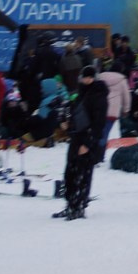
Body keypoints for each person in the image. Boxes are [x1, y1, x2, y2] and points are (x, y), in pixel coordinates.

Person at [57, 64, 107, 219]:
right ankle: (70, 204)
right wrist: (67, 123)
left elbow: (98, 122)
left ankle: (79, 206)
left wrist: (88, 143)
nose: (86, 80)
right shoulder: (82, 93)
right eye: (84, 77)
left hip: (87, 139)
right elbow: (77, 114)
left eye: (89, 77)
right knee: (70, 173)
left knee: (83, 174)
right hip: (77, 136)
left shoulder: (98, 96)